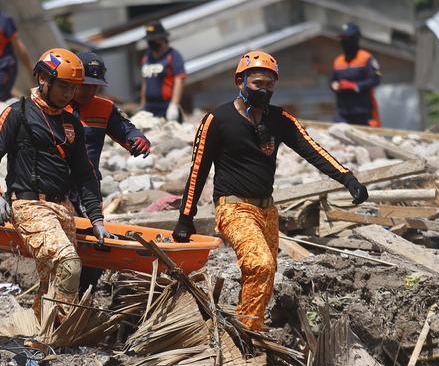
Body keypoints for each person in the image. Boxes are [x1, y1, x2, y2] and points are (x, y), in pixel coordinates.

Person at [174, 51, 368, 331]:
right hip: (234, 207)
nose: (264, 91)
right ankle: (247, 334)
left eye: (269, 85)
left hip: (268, 210)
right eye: (257, 84)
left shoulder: (280, 120)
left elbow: (312, 150)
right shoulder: (217, 120)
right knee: (260, 264)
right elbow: (198, 170)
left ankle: (250, 326)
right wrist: (185, 217)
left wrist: (349, 180)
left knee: (266, 274)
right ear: (240, 81)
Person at [0, 48, 107, 319]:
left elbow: (86, 174)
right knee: (69, 264)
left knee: (52, 282)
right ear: (43, 79)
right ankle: (60, 331)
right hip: (29, 205)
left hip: (64, 208)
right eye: (63, 86)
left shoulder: (72, 123)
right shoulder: (18, 113)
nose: (69, 94)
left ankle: (42, 334)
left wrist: (97, 219)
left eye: (73, 88)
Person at [67, 50, 150, 290]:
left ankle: (86, 293)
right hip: (56, 185)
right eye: (84, 85)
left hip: (87, 188)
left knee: (93, 242)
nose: (89, 91)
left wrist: (137, 139)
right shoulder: (55, 106)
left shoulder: (104, 108)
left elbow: (126, 131)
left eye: (95, 86)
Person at [331, 23, 381, 127]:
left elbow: (375, 79)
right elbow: (332, 80)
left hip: (363, 112)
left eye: (347, 38)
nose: (344, 42)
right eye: (342, 38)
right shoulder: (338, 61)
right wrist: (334, 85)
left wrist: (355, 86)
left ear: (355, 39)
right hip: (343, 112)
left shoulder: (365, 58)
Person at [138, 22, 186, 121]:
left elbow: (179, 80)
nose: (151, 42)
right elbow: (145, 82)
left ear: (162, 38)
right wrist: (142, 105)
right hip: (149, 106)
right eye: (149, 40)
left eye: (153, 39)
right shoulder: (147, 57)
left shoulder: (173, 55)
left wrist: (174, 105)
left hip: (166, 106)